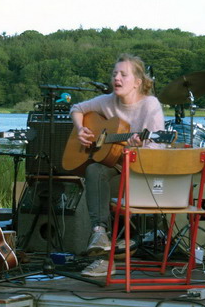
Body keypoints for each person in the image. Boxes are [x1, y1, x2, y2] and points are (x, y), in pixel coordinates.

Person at [70, 53, 165, 277]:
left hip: (141, 167)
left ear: (138, 82)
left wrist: (137, 147)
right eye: (114, 74)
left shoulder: (150, 106)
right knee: (94, 169)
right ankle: (99, 233)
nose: (117, 78)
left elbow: (158, 146)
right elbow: (76, 108)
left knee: (101, 176)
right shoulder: (107, 100)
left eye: (123, 74)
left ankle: (108, 253)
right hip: (116, 163)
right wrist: (81, 129)